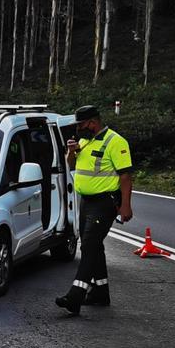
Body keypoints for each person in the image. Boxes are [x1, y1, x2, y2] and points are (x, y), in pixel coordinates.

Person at [56, 105, 134, 315]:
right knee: (93, 245)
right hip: (87, 201)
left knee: (89, 245)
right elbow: (71, 165)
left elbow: (126, 176)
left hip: (105, 202)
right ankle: (100, 292)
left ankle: (75, 296)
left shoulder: (116, 142)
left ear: (93, 122)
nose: (78, 129)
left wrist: (126, 205)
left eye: (81, 124)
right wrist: (72, 152)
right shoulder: (83, 142)